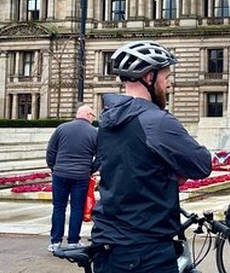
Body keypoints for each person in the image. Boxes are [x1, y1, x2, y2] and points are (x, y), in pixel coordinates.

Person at [90, 40, 212, 273]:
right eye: (165, 77)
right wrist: (174, 172)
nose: (169, 84)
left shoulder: (107, 120)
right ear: (149, 77)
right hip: (146, 251)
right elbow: (202, 164)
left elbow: (132, 168)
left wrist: (162, 171)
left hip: (110, 245)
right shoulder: (156, 121)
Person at [45, 104, 98, 252]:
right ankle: (73, 241)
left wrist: (54, 168)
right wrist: (90, 170)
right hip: (81, 175)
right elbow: (101, 156)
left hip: (60, 174)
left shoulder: (61, 128)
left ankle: (55, 242)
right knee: (77, 208)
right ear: (88, 114)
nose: (93, 119)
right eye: (93, 116)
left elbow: (51, 151)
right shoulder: (94, 132)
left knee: (58, 207)